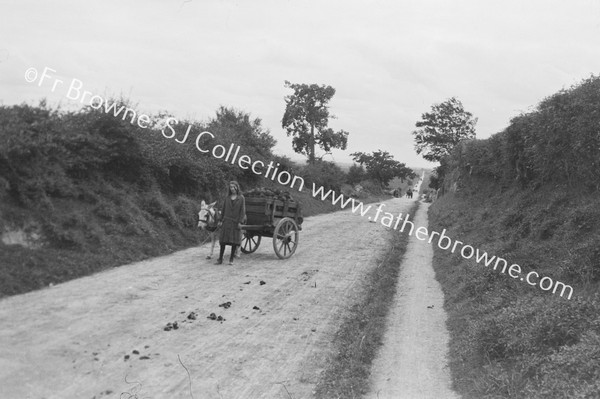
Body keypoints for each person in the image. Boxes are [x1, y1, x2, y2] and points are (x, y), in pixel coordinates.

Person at [216, 181, 246, 265]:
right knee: (223, 241)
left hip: (235, 222)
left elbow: (242, 211)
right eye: (231, 187)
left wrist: (240, 221)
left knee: (234, 242)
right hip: (226, 221)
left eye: (233, 187)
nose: (232, 189)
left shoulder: (241, 198)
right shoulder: (227, 198)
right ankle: (220, 259)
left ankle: (231, 259)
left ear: (237, 187)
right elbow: (224, 209)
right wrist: (220, 220)